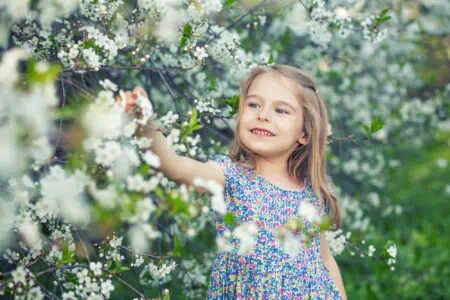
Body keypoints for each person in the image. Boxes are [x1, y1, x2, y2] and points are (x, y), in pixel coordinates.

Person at [119, 64, 347, 299]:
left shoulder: (312, 193)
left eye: (281, 110)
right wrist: (146, 125)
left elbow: (324, 260)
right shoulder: (231, 176)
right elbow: (175, 167)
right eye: (254, 104)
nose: (263, 115)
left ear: (305, 133)